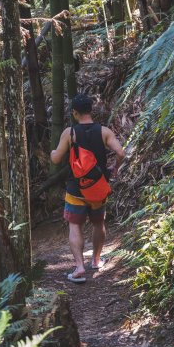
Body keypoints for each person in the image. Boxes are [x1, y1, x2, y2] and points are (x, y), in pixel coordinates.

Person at [50, 94, 125, 283]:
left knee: (75, 225)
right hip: (97, 187)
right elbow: (121, 152)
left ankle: (79, 267)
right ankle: (96, 261)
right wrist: (114, 168)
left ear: (74, 113)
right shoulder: (104, 131)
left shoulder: (70, 133)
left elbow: (56, 159)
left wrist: (53, 152)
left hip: (76, 188)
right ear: (91, 110)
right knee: (98, 223)